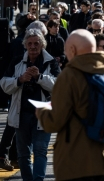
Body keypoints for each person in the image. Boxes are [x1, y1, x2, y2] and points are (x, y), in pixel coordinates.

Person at [36, 29, 104, 181]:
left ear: (72, 49)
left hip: (77, 161)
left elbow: (55, 121)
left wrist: (42, 112)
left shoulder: (70, 76)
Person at [0, 29, 61, 181]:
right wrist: (20, 80)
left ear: (42, 45)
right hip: (22, 114)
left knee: (40, 151)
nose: (33, 47)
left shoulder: (51, 62)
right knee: (23, 154)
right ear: (25, 45)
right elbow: (3, 84)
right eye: (30, 44)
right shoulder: (17, 61)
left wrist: (39, 77)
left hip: (44, 113)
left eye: (36, 43)